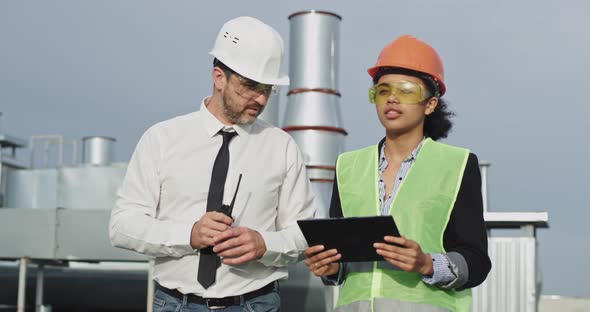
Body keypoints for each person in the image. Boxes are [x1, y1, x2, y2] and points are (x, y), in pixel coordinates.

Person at [109, 16, 317, 311]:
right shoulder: (162, 139)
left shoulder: (281, 147)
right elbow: (122, 226)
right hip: (175, 303)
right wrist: (189, 235)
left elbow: (305, 232)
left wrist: (264, 244)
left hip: (254, 304)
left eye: (268, 89)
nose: (260, 98)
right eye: (249, 86)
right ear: (219, 77)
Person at [303, 35, 491, 312]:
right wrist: (330, 268)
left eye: (406, 90)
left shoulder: (457, 164)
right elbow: (343, 261)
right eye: (382, 90)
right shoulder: (347, 166)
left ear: (430, 104)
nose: (391, 99)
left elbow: (476, 260)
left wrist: (427, 263)